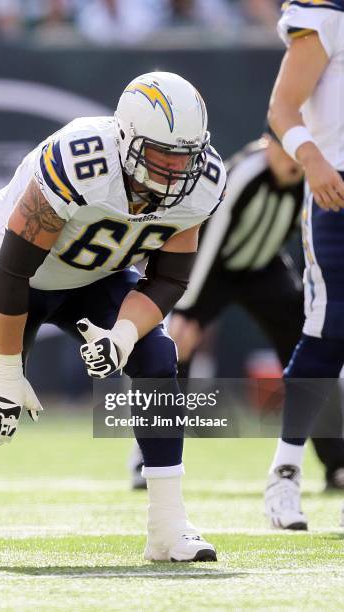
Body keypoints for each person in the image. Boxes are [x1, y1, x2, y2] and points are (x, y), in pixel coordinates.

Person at [0, 72, 226, 563]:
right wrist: (9, 371)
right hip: (3, 265)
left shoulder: (202, 181)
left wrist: (123, 334)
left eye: (187, 155)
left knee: (157, 355)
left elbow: (169, 278)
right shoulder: (80, 159)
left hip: (92, 273)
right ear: (129, 138)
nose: (178, 168)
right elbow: (12, 270)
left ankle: (168, 526)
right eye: (163, 154)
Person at [130, 132, 344, 491]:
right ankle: (146, 457)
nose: (292, 160)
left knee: (310, 348)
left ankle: (338, 461)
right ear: (267, 144)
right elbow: (210, 240)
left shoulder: (307, 176)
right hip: (214, 268)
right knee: (175, 342)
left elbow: (302, 233)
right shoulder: (245, 174)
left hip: (264, 268)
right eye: (285, 150)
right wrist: (186, 306)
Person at [263, 0, 344, 530]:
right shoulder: (325, 11)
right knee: (328, 329)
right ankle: (284, 474)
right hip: (338, 190)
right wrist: (312, 158)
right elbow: (282, 107)